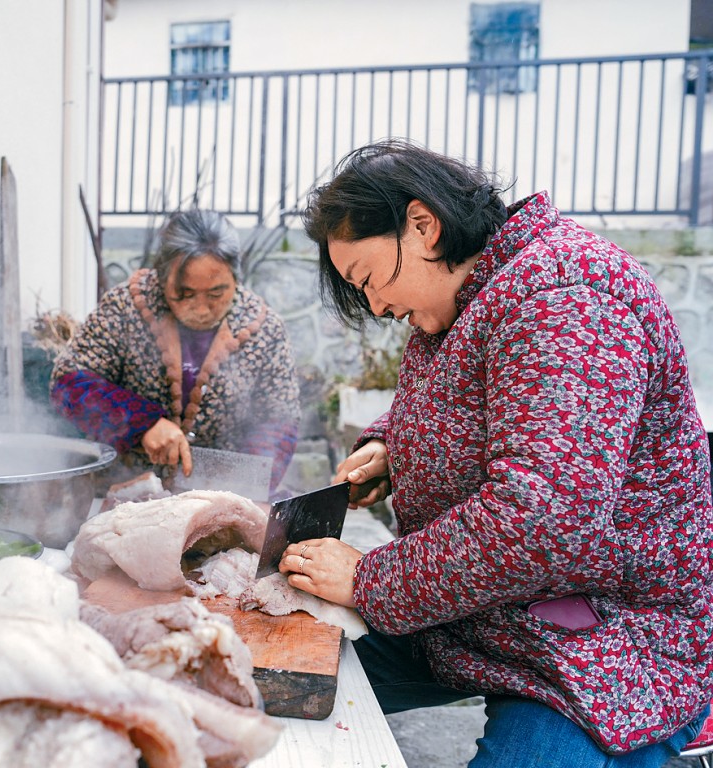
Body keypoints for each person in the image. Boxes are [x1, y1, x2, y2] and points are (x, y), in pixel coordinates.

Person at [283, 138, 713, 767]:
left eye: (370, 280)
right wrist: (390, 444)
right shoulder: (470, 294)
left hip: (597, 643)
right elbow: (482, 402)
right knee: (270, 672)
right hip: (482, 617)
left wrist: (367, 580)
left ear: (423, 226)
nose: (376, 306)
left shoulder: (567, 296)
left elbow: (543, 519)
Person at [50, 208, 301, 494]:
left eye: (216, 293)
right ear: (161, 277)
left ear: (236, 278)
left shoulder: (263, 328)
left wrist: (243, 488)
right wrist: (142, 423)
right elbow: (68, 383)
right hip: (125, 490)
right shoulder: (126, 306)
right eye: (185, 294)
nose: (201, 309)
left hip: (220, 495)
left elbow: (278, 420)